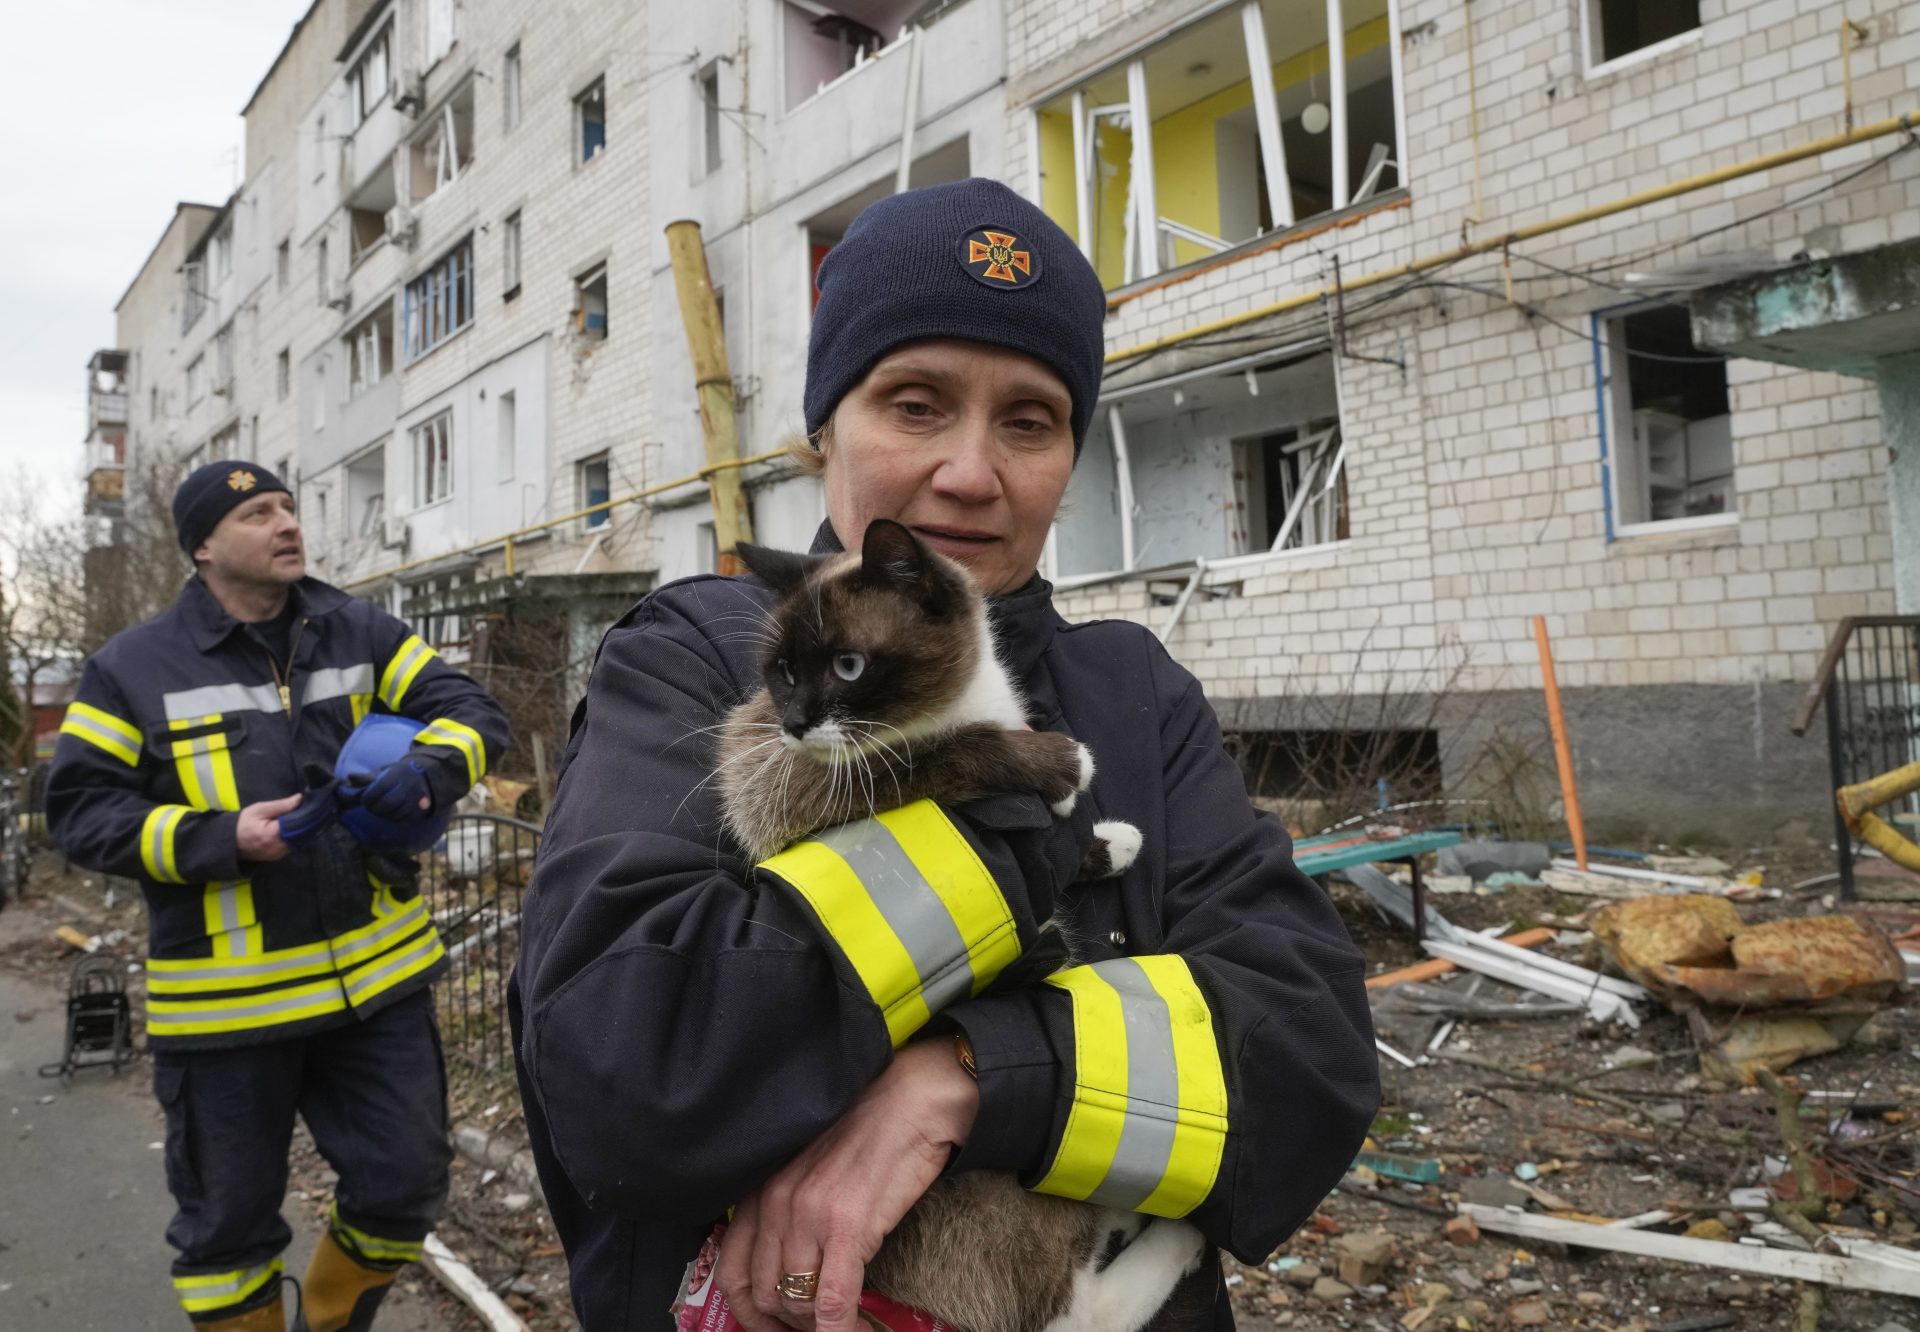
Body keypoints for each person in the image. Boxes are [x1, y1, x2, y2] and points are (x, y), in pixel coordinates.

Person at [511, 178, 1379, 1332]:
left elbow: (1308, 1057)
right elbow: (626, 1067)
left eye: (1030, 420)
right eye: (915, 403)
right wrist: (1005, 816)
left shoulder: (1133, 689)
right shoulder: (700, 659)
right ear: (826, 427)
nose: (973, 473)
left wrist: (973, 1077)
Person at [47, 462, 509, 1332]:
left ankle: (329, 1326)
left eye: (289, 507)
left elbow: (472, 710)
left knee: (405, 1187)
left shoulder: (359, 629)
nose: (286, 523)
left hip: (377, 991)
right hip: (225, 1013)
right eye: (257, 513)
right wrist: (222, 840)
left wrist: (427, 770)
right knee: (227, 1240)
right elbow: (78, 814)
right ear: (205, 546)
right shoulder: (129, 669)